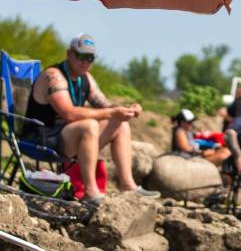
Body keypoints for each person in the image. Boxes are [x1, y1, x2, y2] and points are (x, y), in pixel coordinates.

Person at [23, 34, 158, 205]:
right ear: (69, 54)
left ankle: (127, 185)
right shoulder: (54, 76)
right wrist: (112, 112)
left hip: (66, 138)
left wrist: (126, 109)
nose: (85, 62)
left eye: (90, 57)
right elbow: (69, 114)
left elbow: (106, 106)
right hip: (41, 138)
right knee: (89, 126)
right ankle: (91, 192)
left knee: (120, 124)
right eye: (81, 56)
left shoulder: (86, 78)